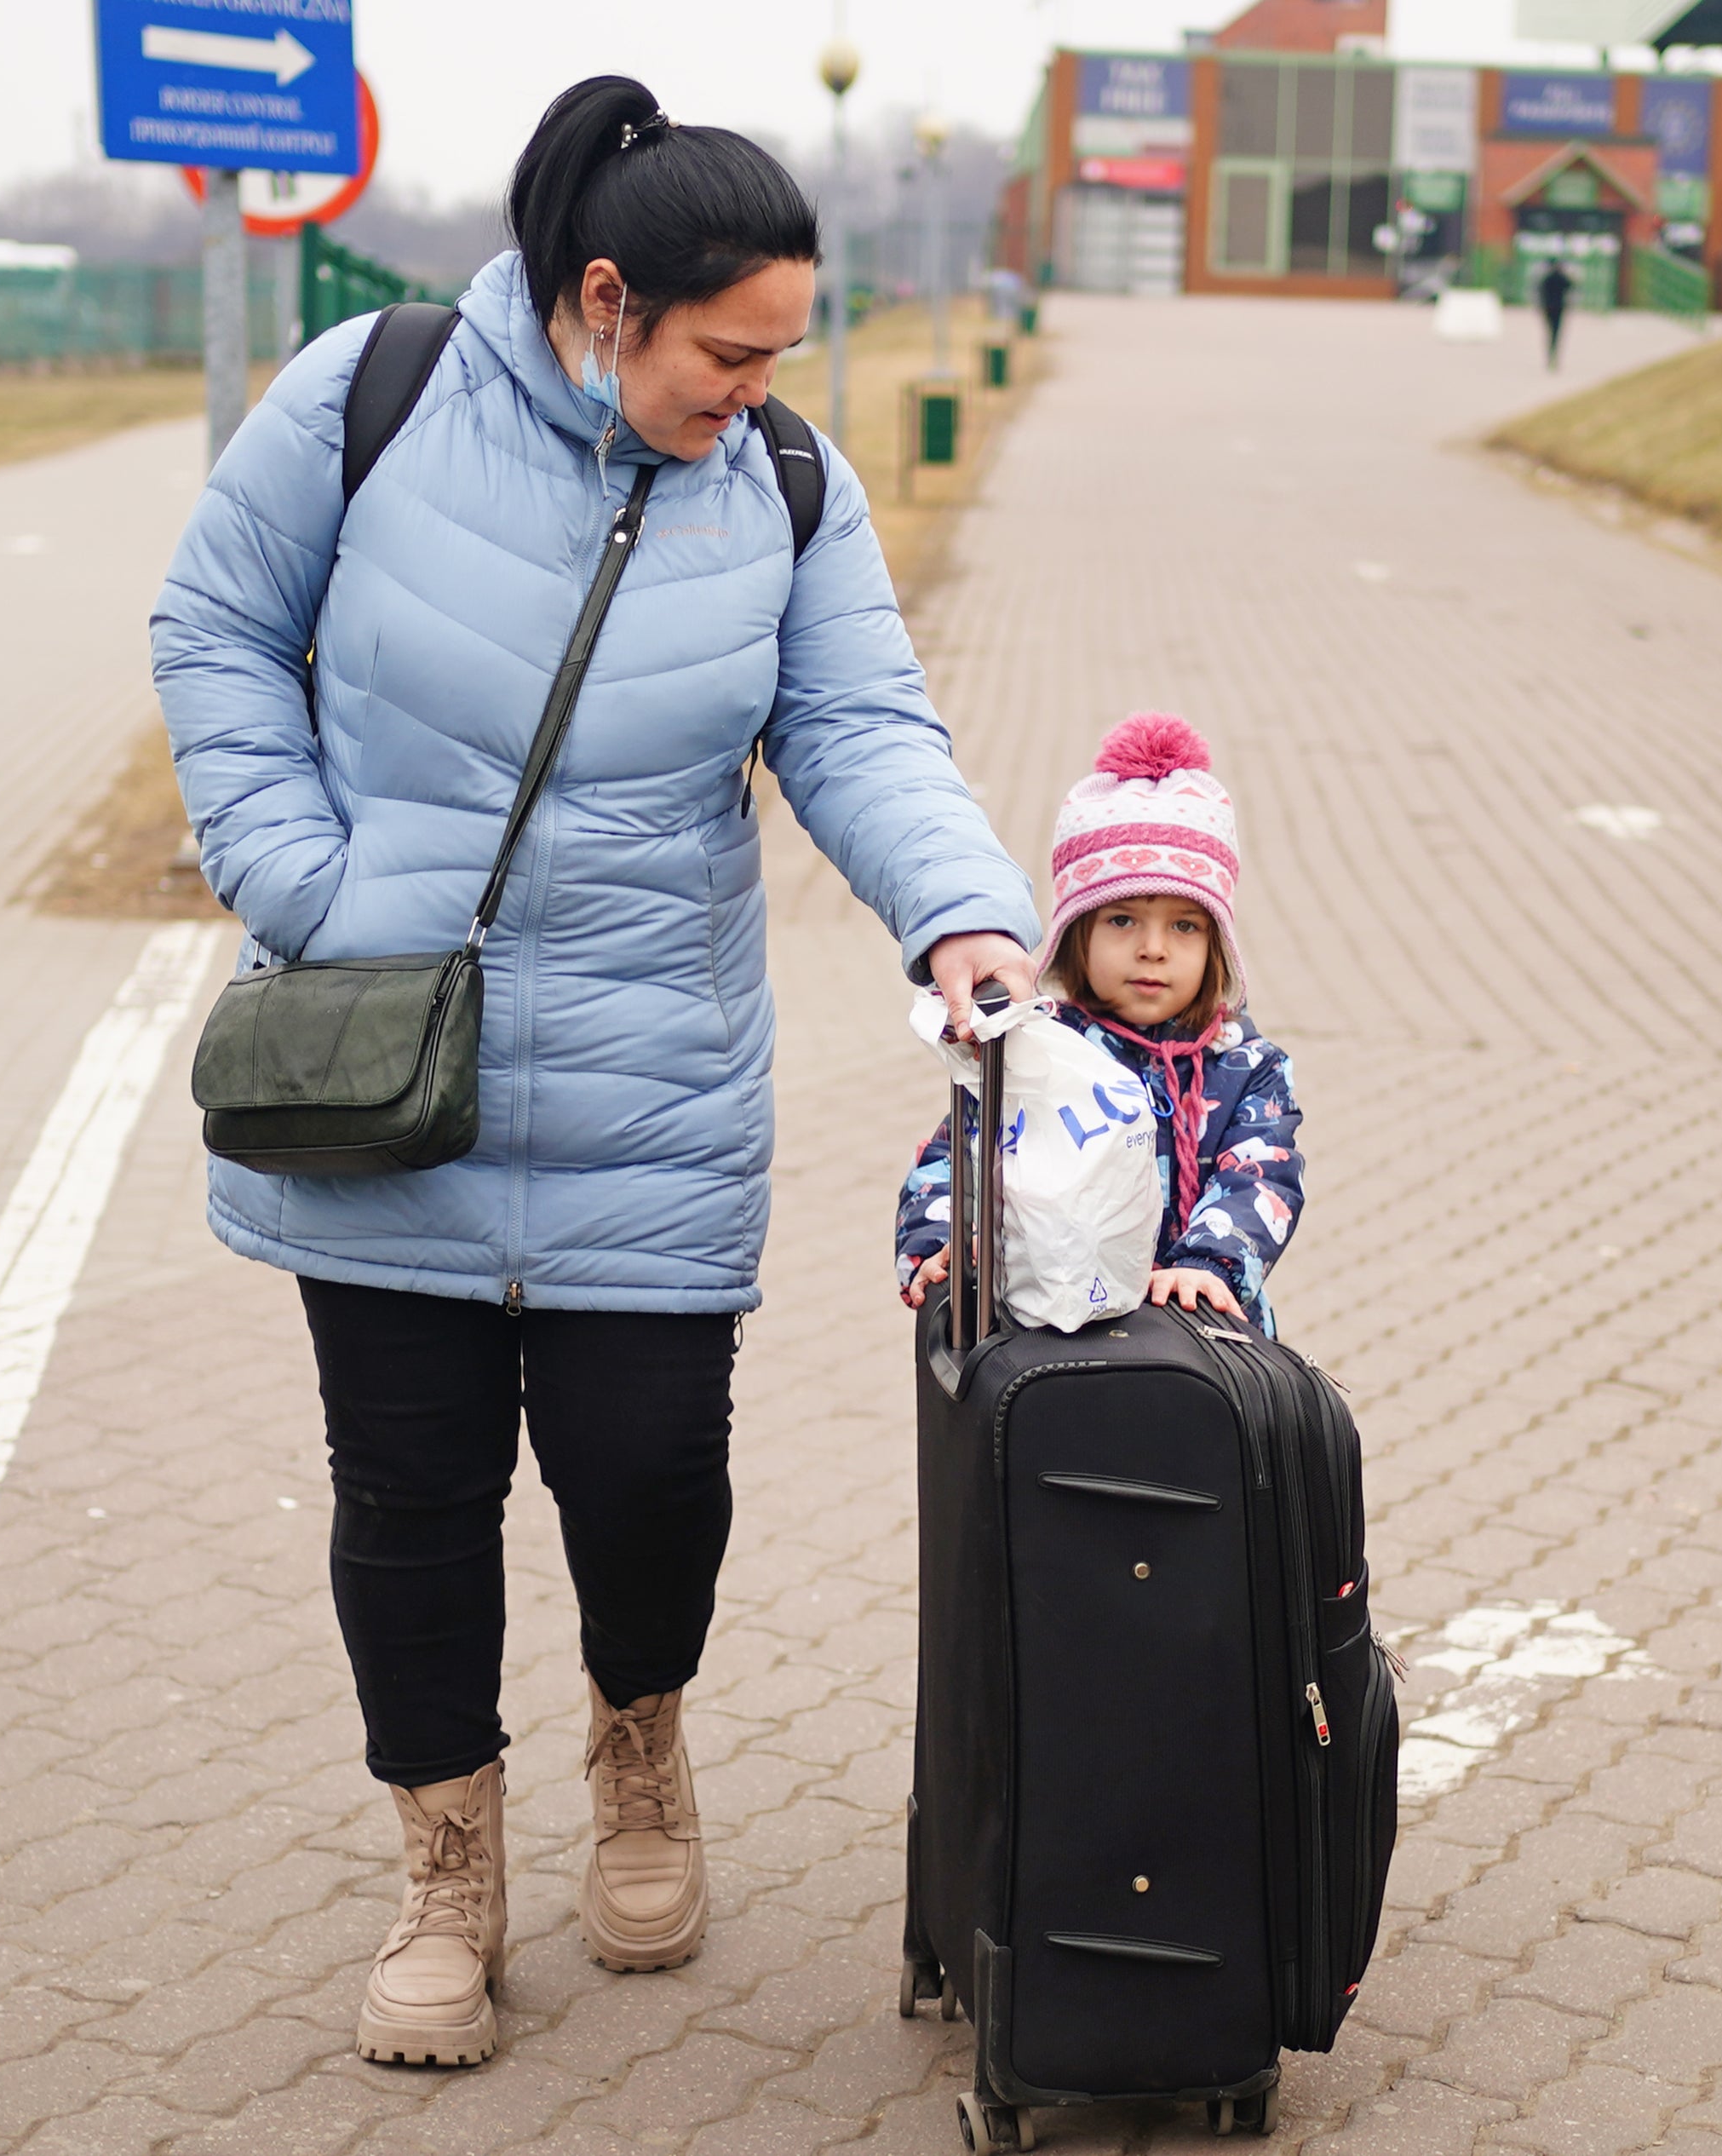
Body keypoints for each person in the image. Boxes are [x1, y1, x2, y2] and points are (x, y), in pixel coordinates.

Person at [150, 76, 1040, 2072]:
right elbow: (212, 627)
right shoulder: (364, 398)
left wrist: (959, 909)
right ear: (607, 295)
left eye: (777, 358)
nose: (753, 390)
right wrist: (301, 878)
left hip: (657, 1077)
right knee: (410, 1493)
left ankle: (638, 1749)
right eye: (724, 353)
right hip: (386, 1073)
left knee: (651, 1482)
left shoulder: (787, 485)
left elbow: (860, 723)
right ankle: (444, 1876)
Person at [895, 716, 1305, 1337]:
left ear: (1216, 943)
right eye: (1121, 920)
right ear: (1075, 932)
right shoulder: (1037, 1050)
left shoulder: (1245, 1066)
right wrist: (941, 1239)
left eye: (1184, 926)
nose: (1153, 949)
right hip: (1053, 1328)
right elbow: (960, 1150)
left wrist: (1205, 1265)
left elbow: (1261, 1172)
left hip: (1194, 1328)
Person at [1535, 256, 1574, 367]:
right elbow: (1572, 286)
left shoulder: (1547, 278)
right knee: (1556, 332)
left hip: (1548, 308)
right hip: (1559, 308)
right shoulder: (1562, 278)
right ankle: (1554, 353)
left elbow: (1540, 292)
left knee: (1549, 331)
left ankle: (1550, 353)